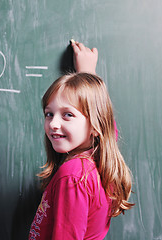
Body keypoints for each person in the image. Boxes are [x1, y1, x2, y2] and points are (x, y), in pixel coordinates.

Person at [28, 41, 134, 240]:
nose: (53, 124)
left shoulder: (73, 177)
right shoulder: (98, 162)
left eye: (67, 115)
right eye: (49, 114)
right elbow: (109, 127)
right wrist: (87, 72)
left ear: (95, 126)